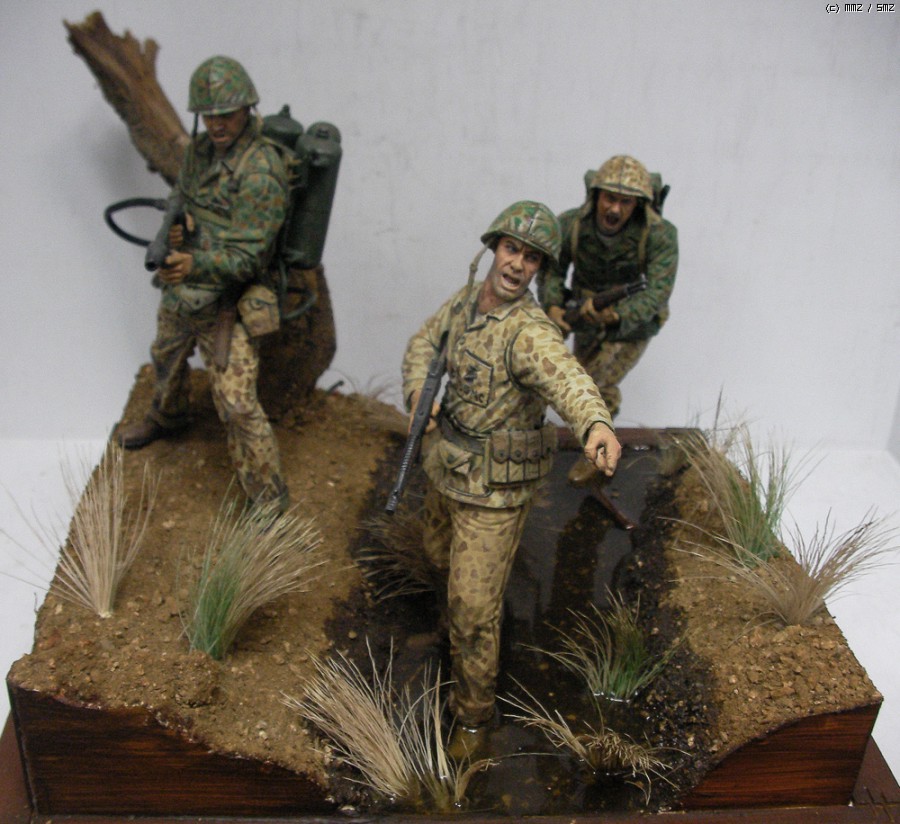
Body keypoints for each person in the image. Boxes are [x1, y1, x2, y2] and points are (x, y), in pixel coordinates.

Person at [401, 201, 622, 758]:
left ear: (539, 269)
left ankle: (473, 717)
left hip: (493, 493)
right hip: (447, 465)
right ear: (494, 248)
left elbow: (567, 378)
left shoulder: (528, 333)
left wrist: (595, 423)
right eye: (510, 249)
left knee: (475, 610)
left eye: (531, 258)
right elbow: (424, 343)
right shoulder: (465, 301)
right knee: (437, 559)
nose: (517, 264)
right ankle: (447, 636)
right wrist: (418, 393)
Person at [116, 56, 290, 511]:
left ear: (247, 109)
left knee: (236, 403)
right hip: (187, 286)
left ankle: (269, 502)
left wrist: (193, 264)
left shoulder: (260, 172)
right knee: (165, 354)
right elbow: (184, 193)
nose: (216, 124)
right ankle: (168, 415)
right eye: (208, 115)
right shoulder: (199, 152)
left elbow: (250, 258)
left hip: (232, 296)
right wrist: (181, 223)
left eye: (226, 114)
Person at [537, 155, 678, 484]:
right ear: (595, 194)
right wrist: (554, 306)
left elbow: (657, 291)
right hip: (583, 316)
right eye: (609, 198)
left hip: (630, 324)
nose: (615, 209)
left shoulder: (659, 235)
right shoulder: (571, 224)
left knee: (597, 387)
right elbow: (552, 269)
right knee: (573, 384)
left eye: (625, 202)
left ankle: (599, 454)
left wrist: (617, 315)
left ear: (638, 204)